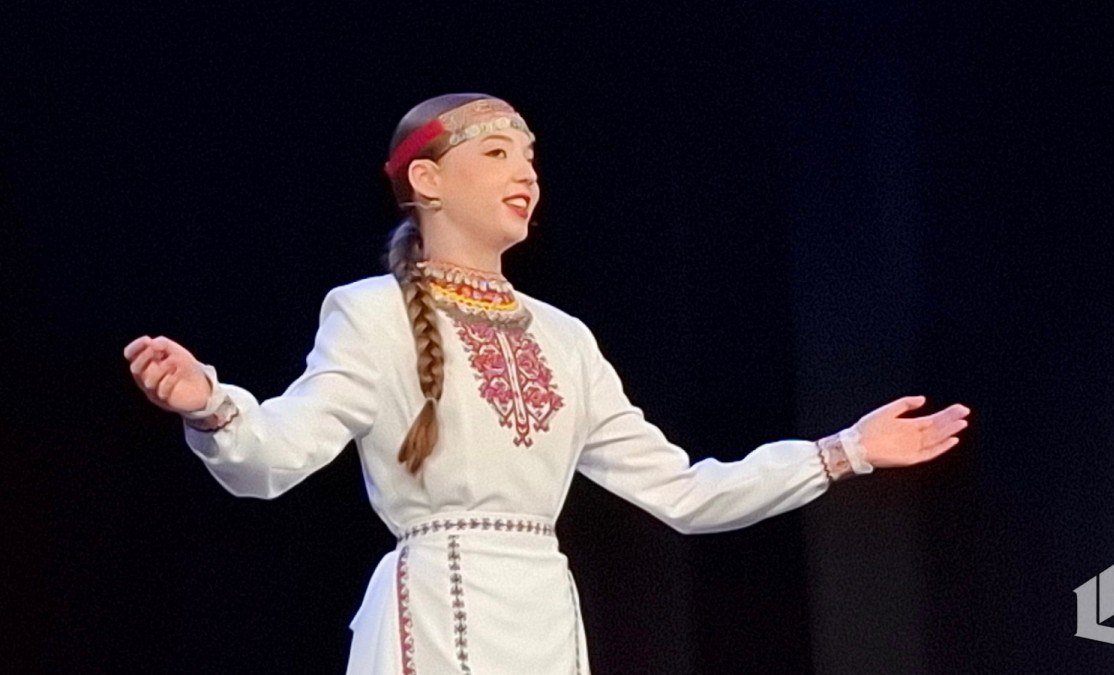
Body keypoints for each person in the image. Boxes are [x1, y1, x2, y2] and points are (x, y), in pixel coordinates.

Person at [124, 93, 970, 674]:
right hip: (437, 610)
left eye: (530, 157)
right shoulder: (370, 311)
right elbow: (276, 457)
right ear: (426, 181)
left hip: (544, 614)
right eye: (496, 153)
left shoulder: (563, 336)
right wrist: (213, 407)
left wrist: (844, 451)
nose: (525, 173)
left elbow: (681, 491)